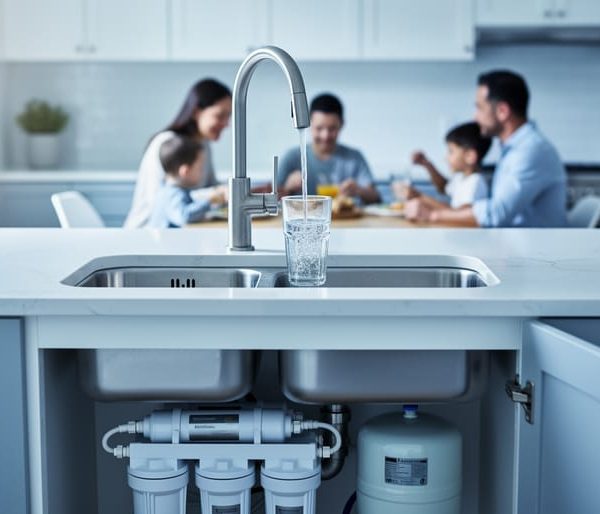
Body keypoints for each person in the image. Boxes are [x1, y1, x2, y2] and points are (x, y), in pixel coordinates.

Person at [405, 70, 567, 227]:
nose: (475, 116)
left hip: (534, 251)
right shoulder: (514, 149)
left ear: (502, 111)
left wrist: (432, 215)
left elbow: (495, 214)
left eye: (480, 108)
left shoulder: (531, 150)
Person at [124, 78, 232, 228]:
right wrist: (215, 196)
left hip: (184, 232)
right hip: (149, 232)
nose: (227, 124)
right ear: (196, 112)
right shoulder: (167, 143)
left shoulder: (203, 145)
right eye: (220, 116)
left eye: (229, 116)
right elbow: (161, 199)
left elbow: (209, 187)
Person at [277, 93, 380, 204]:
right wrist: (288, 188)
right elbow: (273, 200)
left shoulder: (354, 158)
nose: (325, 136)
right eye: (319, 128)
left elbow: (376, 197)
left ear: (341, 125)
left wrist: (359, 190)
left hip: (346, 219)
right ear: (309, 124)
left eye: (332, 129)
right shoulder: (291, 157)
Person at [401, 122, 491, 211]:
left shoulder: (476, 182)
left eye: (451, 151)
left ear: (469, 156)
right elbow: (443, 188)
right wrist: (427, 164)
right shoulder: (461, 178)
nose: (446, 158)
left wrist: (419, 196)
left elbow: (461, 215)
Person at [147, 136, 226, 228]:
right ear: (185, 171)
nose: (202, 172)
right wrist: (210, 201)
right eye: (200, 168)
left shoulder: (173, 191)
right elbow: (184, 216)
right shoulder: (172, 194)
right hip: (166, 242)